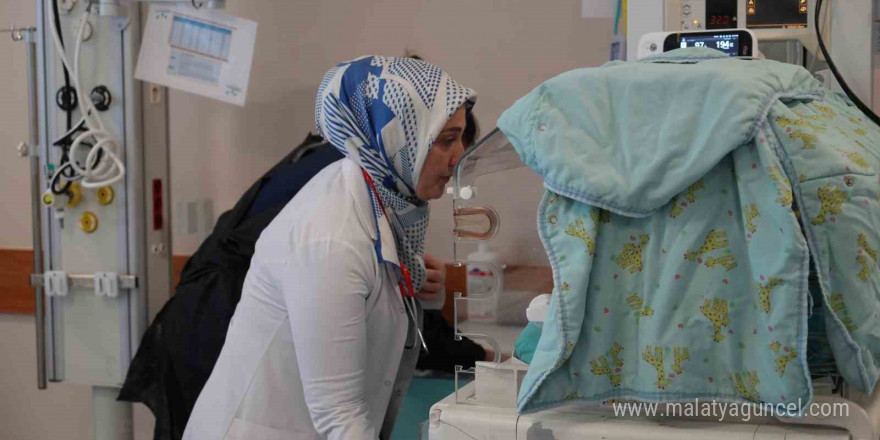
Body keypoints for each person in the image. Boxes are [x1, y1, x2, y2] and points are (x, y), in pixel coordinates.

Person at [182, 56, 476, 440]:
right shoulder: (331, 240)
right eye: (446, 141)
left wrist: (411, 277)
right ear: (396, 137)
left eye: (462, 138)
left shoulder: (378, 199)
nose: (459, 157)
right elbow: (339, 414)